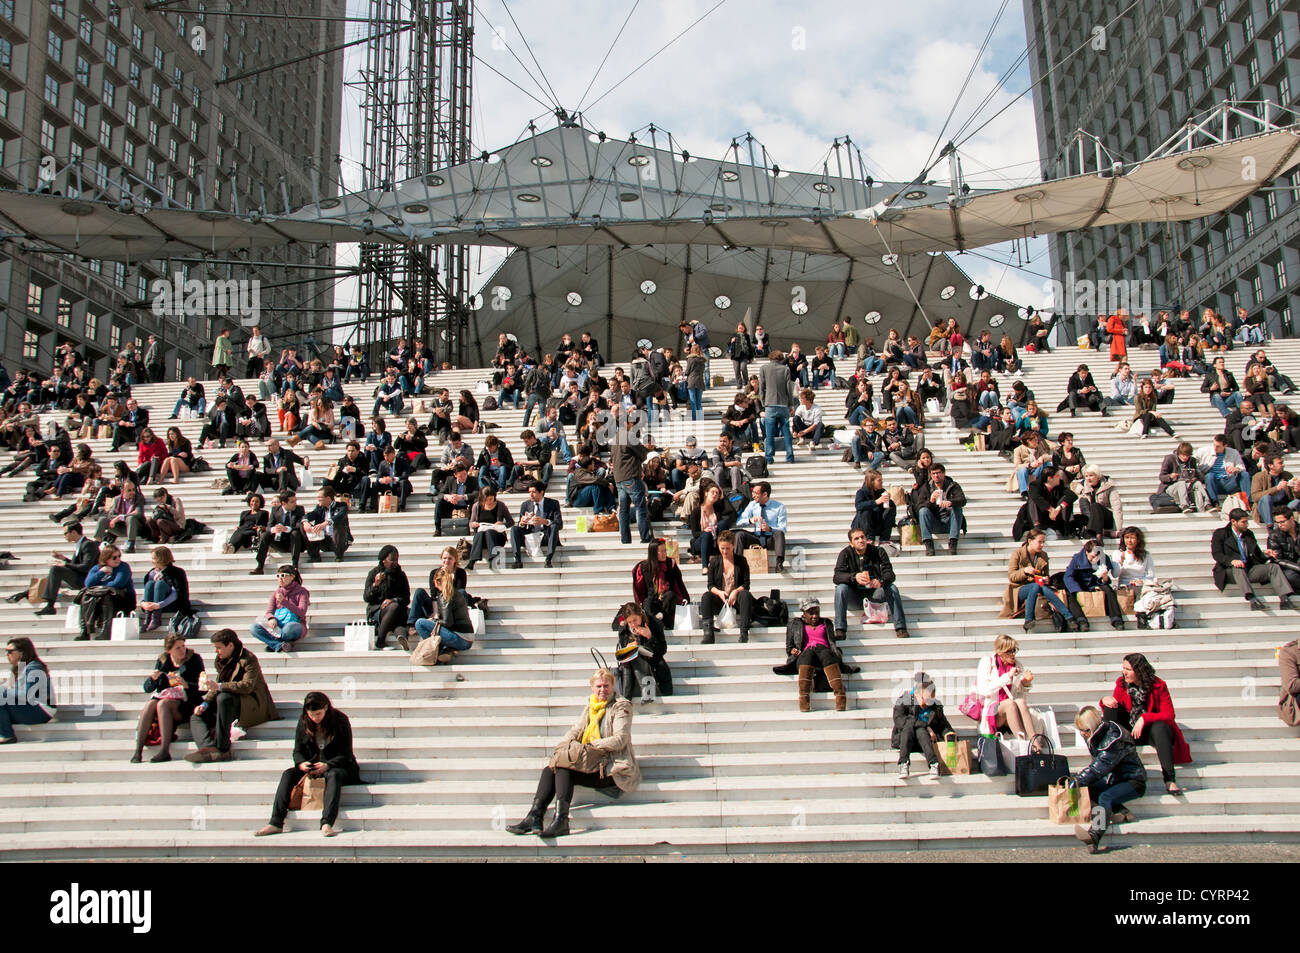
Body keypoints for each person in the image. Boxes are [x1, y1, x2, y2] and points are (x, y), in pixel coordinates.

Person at [505, 668, 639, 838]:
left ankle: (561, 820)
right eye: (598, 686)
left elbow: (621, 739)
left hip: (612, 769)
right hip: (592, 762)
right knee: (551, 768)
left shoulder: (621, 707)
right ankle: (535, 816)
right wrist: (567, 744)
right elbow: (577, 729)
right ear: (592, 687)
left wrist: (591, 745)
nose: (602, 690)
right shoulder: (591, 705)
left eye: (606, 686)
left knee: (563, 769)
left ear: (613, 686)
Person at [255, 692, 360, 838]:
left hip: (337, 766)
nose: (315, 718)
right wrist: (301, 764)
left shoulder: (340, 720)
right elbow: (297, 751)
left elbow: (346, 754)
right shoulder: (304, 721)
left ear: (326, 708)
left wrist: (328, 765)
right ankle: (276, 822)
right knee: (288, 774)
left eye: (318, 714)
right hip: (313, 765)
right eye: (312, 715)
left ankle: (327, 822)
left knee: (334, 775)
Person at [1099, 652, 1191, 798]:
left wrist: (1145, 718)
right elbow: (1115, 707)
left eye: (1128, 669)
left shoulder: (1158, 685)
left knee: (1161, 726)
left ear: (1139, 670)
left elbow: (1169, 714)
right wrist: (1104, 700)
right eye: (1123, 668)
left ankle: (1169, 780)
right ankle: (1105, 760)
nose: (1124, 672)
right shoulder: (1121, 683)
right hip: (1129, 731)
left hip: (1149, 732)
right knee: (1110, 707)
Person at [186, 629, 278, 763]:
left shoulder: (248, 659)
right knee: (196, 715)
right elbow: (218, 684)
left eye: (219, 648)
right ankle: (208, 748)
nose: (216, 651)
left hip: (249, 703)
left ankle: (222, 748)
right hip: (227, 705)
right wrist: (205, 704)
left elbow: (247, 686)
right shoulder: (221, 660)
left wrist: (220, 687)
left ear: (230, 645)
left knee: (223, 698)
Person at [1071, 705, 1147, 853]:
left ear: (1092, 726)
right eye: (1079, 730)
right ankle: (1123, 812)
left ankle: (1094, 835)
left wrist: (1078, 780)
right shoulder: (1100, 734)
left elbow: (1099, 767)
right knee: (1089, 790)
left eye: (1085, 730)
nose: (1082, 734)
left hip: (1132, 780)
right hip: (1114, 779)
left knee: (1105, 797)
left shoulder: (1113, 738)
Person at [131, 632, 204, 763]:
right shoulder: (163, 661)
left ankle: (165, 751)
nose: (182, 650)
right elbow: (147, 688)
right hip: (166, 702)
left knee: (163, 704)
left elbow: (202, 689)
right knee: (151, 704)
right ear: (169, 650)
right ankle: (138, 751)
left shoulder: (194, 659)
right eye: (178, 648)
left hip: (187, 704)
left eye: (183, 646)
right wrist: (152, 679)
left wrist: (186, 684)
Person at [1211, 507, 1296, 610]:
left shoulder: (1248, 534)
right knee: (1238, 567)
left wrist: (1266, 554)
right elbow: (1217, 554)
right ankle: (1252, 600)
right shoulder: (1220, 534)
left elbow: (1258, 556)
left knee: (1273, 567)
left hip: (1249, 568)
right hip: (1229, 570)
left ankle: (1285, 600)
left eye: (1247, 522)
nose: (1247, 524)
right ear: (1233, 521)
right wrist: (1232, 561)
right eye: (1244, 522)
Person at [832, 527, 909, 639]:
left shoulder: (878, 552)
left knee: (892, 588)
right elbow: (837, 577)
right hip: (855, 597)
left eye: (862, 537)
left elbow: (890, 574)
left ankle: (901, 627)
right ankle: (840, 629)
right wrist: (854, 577)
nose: (861, 540)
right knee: (840, 588)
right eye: (856, 538)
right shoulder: (845, 554)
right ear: (851, 543)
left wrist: (880, 581)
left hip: (875, 595)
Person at [778, 596, 847, 712]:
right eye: (811, 613)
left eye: (817, 612)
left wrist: (837, 652)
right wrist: (793, 651)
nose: (815, 616)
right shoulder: (795, 624)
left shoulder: (826, 623)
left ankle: (841, 697)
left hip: (823, 652)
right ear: (804, 613)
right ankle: (804, 699)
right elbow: (789, 647)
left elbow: (832, 643)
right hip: (806, 653)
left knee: (826, 653)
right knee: (808, 654)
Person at [407, 546, 475, 662]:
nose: (446, 561)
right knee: (419, 593)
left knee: (420, 623)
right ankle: (444, 650)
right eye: (444, 558)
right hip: (466, 637)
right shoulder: (446, 593)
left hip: (460, 637)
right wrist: (435, 615)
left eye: (449, 558)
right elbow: (434, 597)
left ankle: (439, 649)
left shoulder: (446, 595)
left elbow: (448, 622)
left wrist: (434, 621)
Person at [1007, 529, 1079, 632]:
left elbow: (1046, 575)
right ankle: (1030, 618)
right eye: (1039, 542)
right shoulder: (1018, 553)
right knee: (1037, 587)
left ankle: (1068, 618)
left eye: (1043, 542)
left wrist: (1046, 580)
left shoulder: (1043, 555)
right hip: (1019, 589)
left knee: (1042, 587)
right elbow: (1011, 576)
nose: (1042, 545)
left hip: (1038, 586)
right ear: (1030, 541)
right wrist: (1025, 571)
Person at [975, 634, 1038, 742]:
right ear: (1000, 652)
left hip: (1012, 710)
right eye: (1009, 651)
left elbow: (1017, 695)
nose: (1013, 654)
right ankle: (1023, 743)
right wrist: (1007, 676)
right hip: (992, 711)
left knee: (1021, 702)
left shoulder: (1017, 665)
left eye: (1014, 650)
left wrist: (1024, 683)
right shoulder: (987, 662)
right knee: (1009, 703)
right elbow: (983, 690)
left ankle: (1035, 744)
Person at [892, 674, 954, 779]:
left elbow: (943, 725)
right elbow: (900, 721)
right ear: (917, 694)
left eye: (931, 700)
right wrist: (927, 727)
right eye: (925, 699)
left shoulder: (935, 706)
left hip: (925, 741)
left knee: (921, 731)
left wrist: (949, 735)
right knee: (909, 728)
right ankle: (904, 763)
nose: (927, 703)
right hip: (906, 740)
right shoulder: (904, 700)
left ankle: (933, 764)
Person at [31, 521, 99, 616]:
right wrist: (63, 559)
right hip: (80, 577)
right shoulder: (80, 544)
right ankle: (28, 594)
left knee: (56, 569)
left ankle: (50, 606)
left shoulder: (88, 544)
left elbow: (85, 567)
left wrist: (65, 564)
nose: (64, 536)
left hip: (86, 580)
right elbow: (76, 565)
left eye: (65, 533)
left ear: (74, 532)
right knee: (52, 577)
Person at [699, 530, 755, 643]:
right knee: (706, 597)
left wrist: (735, 592)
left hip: (736, 600)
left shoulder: (741, 561)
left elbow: (746, 584)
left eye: (727, 548)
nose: (724, 551)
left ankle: (744, 631)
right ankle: (708, 632)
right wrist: (719, 593)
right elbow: (710, 585)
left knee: (745, 595)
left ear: (733, 546)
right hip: (721, 598)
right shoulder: (714, 562)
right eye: (722, 548)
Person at [613, 601, 672, 702]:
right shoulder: (624, 629)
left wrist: (650, 637)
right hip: (631, 667)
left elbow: (662, 650)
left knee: (637, 656)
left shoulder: (654, 623)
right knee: (630, 659)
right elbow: (623, 652)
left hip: (653, 663)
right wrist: (628, 646)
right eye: (630, 622)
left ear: (640, 614)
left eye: (635, 620)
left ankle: (628, 698)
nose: (633, 624)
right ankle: (641, 694)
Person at [77, 543, 136, 640]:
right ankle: (85, 631)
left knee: (106, 595)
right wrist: (101, 572)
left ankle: (106, 632)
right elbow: (88, 584)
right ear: (106, 558)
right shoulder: (97, 568)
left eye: (119, 556)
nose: (118, 559)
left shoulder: (123, 567)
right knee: (85, 595)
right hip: (101, 598)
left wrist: (99, 588)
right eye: (114, 557)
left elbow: (118, 584)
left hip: (123, 599)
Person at [0, 638, 55, 744]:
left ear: (21, 652)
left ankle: (7, 735)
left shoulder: (34, 668)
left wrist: (4, 691)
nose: (7, 654)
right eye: (6, 651)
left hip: (41, 711)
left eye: (10, 651)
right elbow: (8, 689)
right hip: (29, 708)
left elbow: (27, 695)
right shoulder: (20, 668)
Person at [1063, 540, 1125, 629]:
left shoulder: (1104, 558)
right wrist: (1077, 590)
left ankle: (1116, 619)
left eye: (1097, 557)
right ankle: (1081, 620)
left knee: (1108, 590)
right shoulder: (1077, 558)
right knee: (1070, 594)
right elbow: (1068, 576)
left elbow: (1105, 581)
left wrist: (1104, 578)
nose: (1094, 559)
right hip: (1080, 583)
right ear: (1086, 552)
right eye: (1092, 557)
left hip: (1095, 583)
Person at [250, 565, 311, 652]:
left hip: (295, 624)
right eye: (278, 576)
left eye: (283, 575)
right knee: (254, 628)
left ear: (292, 576)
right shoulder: (276, 593)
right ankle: (279, 645)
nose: (280, 578)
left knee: (288, 629)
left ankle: (274, 644)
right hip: (278, 625)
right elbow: (269, 612)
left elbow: (301, 612)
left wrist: (284, 602)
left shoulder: (302, 592)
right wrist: (271, 618)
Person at [632, 539, 690, 631]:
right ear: (654, 553)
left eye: (665, 551)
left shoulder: (670, 564)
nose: (664, 554)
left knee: (670, 595)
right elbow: (639, 590)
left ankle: (664, 623)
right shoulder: (643, 567)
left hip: (666, 601)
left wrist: (685, 599)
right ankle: (652, 625)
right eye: (661, 551)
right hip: (652, 602)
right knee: (648, 601)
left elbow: (679, 584)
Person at [734, 481, 788, 573]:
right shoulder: (752, 504)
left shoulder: (779, 507)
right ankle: (736, 565)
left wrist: (770, 529)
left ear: (765, 494)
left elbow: (783, 528)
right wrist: (750, 520)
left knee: (779, 533)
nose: (753, 495)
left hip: (770, 538)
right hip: (756, 536)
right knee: (740, 534)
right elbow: (739, 521)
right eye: (752, 492)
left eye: (756, 493)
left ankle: (779, 563)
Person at [364, 545, 410, 650]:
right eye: (392, 560)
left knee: (400, 612)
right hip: (377, 611)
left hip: (396, 610)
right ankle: (380, 641)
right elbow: (366, 598)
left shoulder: (401, 575)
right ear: (384, 560)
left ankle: (402, 637)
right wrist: (375, 585)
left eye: (397, 560)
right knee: (393, 608)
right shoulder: (374, 573)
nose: (395, 562)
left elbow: (406, 598)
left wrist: (393, 600)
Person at [137, 546, 191, 634]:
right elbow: (147, 590)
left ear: (161, 558)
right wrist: (143, 603)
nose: (152, 561)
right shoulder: (151, 572)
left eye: (154, 558)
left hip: (168, 604)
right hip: (152, 605)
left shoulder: (177, 572)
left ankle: (156, 617)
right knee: (150, 583)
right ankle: (148, 618)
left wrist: (159, 605)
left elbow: (176, 593)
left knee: (159, 584)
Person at [510, 480, 562, 568]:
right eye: (529, 492)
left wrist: (545, 521)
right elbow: (521, 524)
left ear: (541, 492)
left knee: (553, 526)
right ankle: (517, 560)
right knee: (514, 528)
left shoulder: (553, 504)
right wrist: (522, 523)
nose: (531, 494)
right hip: (530, 535)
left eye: (533, 492)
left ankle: (548, 559)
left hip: (545, 535)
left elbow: (559, 524)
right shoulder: (525, 505)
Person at [917, 463, 966, 556]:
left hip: (950, 522)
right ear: (931, 475)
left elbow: (962, 500)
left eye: (938, 473)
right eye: (933, 473)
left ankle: (953, 542)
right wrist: (930, 501)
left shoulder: (953, 485)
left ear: (943, 473)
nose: (936, 475)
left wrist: (951, 502)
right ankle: (928, 543)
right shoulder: (927, 487)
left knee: (957, 508)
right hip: (935, 523)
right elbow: (918, 506)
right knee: (923, 510)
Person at [250, 491, 305, 573]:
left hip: (295, 542)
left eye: (295, 501)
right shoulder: (275, 510)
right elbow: (269, 526)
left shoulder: (299, 509)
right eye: (292, 502)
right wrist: (273, 529)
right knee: (265, 535)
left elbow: (299, 526)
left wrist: (287, 529)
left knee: (295, 533)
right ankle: (260, 566)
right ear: (283, 503)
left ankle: (295, 565)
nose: (295, 504)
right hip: (279, 541)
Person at [758, 349, 796, 465]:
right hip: (783, 404)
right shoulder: (785, 369)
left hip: (770, 403)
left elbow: (762, 387)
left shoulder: (764, 368)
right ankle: (790, 456)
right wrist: (790, 404)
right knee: (786, 432)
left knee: (769, 433)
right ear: (780, 359)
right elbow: (788, 389)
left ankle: (769, 457)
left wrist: (763, 402)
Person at [297, 486, 352, 563]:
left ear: (328, 498)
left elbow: (339, 516)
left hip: (339, 541)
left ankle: (339, 555)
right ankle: (315, 556)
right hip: (324, 539)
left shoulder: (342, 505)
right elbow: (310, 515)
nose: (318, 499)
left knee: (338, 523)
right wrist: (305, 522)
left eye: (320, 497)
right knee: (302, 525)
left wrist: (325, 523)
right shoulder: (319, 508)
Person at [1158, 441, 1212, 513]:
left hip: (1188, 485)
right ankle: (1184, 505)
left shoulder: (1192, 460)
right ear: (1178, 453)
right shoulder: (1169, 458)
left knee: (1198, 483)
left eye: (1187, 456)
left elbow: (1198, 475)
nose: (1185, 457)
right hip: (1172, 487)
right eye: (1183, 455)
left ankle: (1207, 504)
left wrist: (1195, 477)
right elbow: (1161, 477)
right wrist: (1170, 476)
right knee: (1181, 483)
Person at [852, 468, 896, 545]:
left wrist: (889, 500)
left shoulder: (882, 492)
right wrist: (876, 502)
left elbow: (890, 508)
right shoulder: (861, 492)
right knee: (866, 510)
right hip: (864, 525)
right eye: (879, 480)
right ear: (871, 482)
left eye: (882, 480)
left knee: (890, 509)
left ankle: (884, 538)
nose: (881, 483)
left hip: (877, 523)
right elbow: (858, 506)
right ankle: (869, 538)